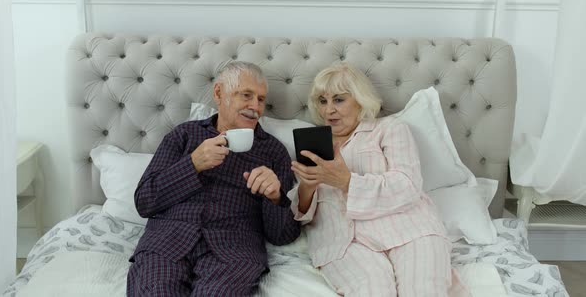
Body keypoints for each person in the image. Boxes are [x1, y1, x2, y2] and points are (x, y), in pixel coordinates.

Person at [288, 62, 470, 297]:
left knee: (423, 291)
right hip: (345, 244)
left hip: (410, 230)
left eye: (339, 100)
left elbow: (408, 185)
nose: (328, 110)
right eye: (323, 101)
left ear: (360, 100)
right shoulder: (313, 146)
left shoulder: (390, 129)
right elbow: (301, 214)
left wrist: (347, 181)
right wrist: (307, 188)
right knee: (373, 291)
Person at [127, 61, 301, 296]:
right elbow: (144, 201)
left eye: (261, 99)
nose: (255, 107)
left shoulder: (273, 152)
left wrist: (275, 197)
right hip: (167, 242)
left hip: (234, 251)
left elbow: (282, 236)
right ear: (219, 93)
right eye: (246, 95)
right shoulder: (184, 135)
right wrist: (193, 164)